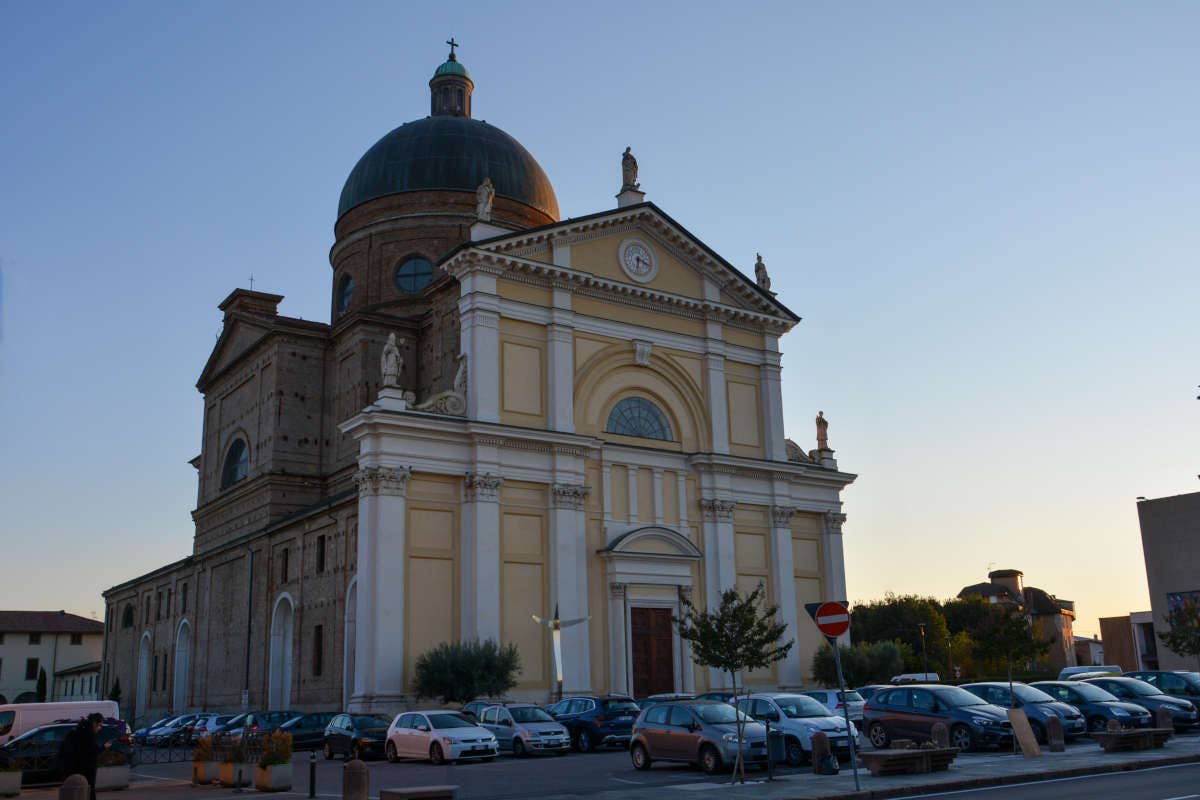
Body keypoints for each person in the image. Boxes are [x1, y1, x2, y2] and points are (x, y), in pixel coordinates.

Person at [59, 713, 109, 800]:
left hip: (71, 768)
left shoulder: (77, 730)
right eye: (99, 725)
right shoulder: (88, 734)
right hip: (85, 769)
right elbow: (92, 751)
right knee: (88, 790)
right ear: (94, 723)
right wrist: (104, 747)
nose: (100, 728)